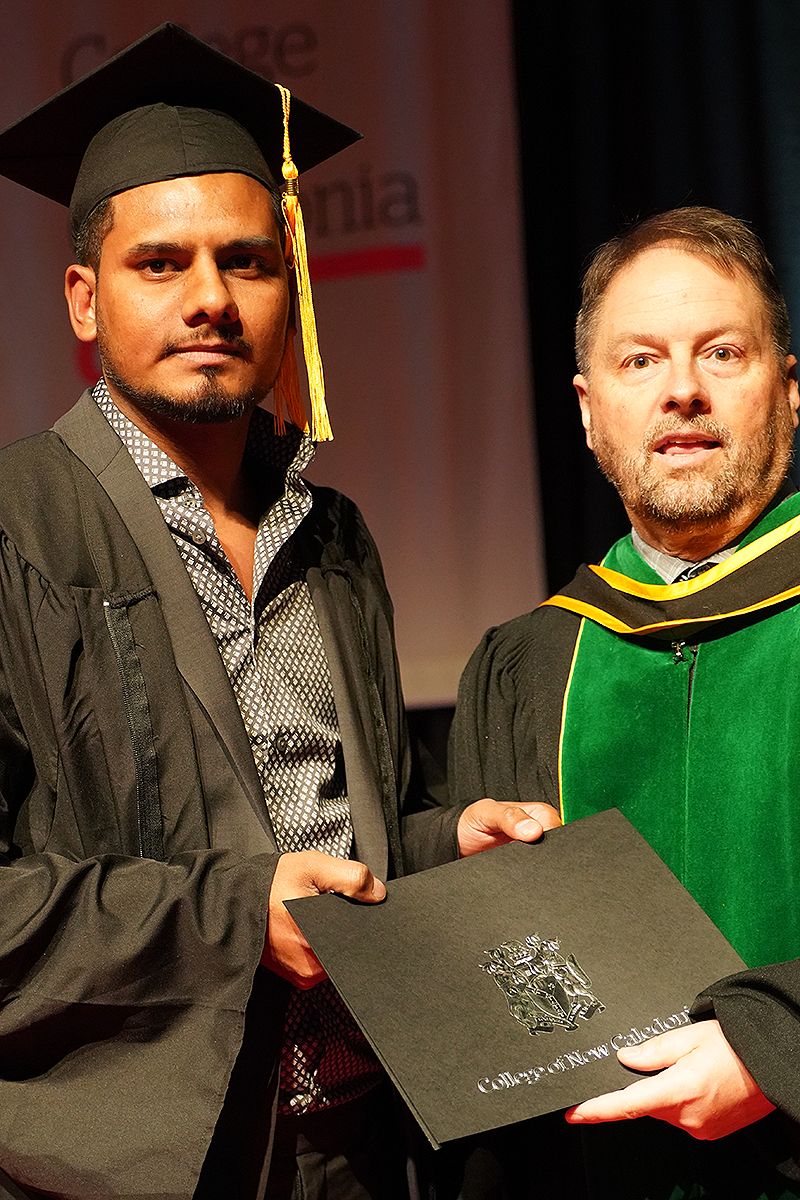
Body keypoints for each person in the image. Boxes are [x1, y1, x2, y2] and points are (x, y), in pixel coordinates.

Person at [0, 23, 558, 1200]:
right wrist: (232, 916)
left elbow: (351, 828)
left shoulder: (334, 539)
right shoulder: (16, 535)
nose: (210, 298)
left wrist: (442, 843)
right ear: (84, 299)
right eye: (161, 265)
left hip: (359, 1142)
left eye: (247, 261)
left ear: (288, 285)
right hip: (136, 1162)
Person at [450, 206, 800, 1199]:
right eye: (639, 361)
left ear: (787, 389)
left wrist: (778, 1044)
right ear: (586, 409)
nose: (681, 389)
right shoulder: (526, 665)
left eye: (721, 353)